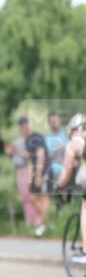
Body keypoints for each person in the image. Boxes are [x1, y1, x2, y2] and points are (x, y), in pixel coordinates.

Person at [56, 113, 86, 263]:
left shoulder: (75, 142)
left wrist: (59, 185)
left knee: (85, 208)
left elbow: (65, 172)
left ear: (74, 130)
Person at [5, 117, 42, 232]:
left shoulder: (31, 139)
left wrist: (17, 151)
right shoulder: (16, 140)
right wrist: (10, 151)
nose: (23, 127)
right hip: (19, 171)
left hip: (29, 170)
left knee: (33, 197)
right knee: (24, 198)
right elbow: (13, 158)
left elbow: (31, 156)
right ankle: (28, 223)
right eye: (21, 125)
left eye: (24, 124)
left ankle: (38, 222)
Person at [25, 124, 51, 236]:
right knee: (33, 197)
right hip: (35, 172)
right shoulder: (27, 140)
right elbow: (30, 160)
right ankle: (44, 223)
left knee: (43, 197)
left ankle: (44, 224)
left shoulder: (38, 137)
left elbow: (41, 155)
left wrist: (39, 174)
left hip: (44, 171)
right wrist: (29, 179)